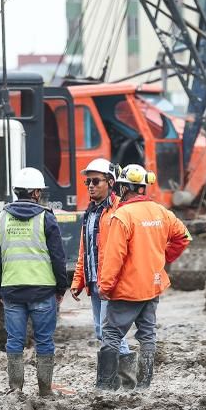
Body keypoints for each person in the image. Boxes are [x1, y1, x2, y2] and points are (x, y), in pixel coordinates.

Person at [97, 164, 191, 390]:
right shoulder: (161, 212)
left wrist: (105, 286)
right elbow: (184, 237)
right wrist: (162, 257)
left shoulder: (122, 216)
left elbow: (114, 256)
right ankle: (143, 386)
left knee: (111, 333)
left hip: (127, 289)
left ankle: (105, 387)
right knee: (147, 335)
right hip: (153, 285)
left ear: (125, 187)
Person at [0, 167, 69, 397]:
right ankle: (45, 391)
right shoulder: (47, 218)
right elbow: (58, 257)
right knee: (44, 341)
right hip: (43, 291)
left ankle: (15, 390)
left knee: (14, 341)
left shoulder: (1, 218)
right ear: (35, 192)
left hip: (12, 290)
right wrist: (60, 287)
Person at [69, 159, 136, 389]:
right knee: (102, 332)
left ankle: (118, 383)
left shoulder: (119, 211)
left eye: (95, 181)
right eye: (88, 181)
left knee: (110, 332)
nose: (90, 185)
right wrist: (78, 279)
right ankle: (118, 382)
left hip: (113, 283)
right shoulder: (90, 212)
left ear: (110, 182)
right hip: (95, 281)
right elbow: (84, 249)